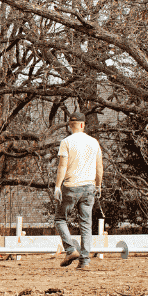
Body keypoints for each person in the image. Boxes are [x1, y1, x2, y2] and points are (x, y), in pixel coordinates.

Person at [54, 111, 103, 269]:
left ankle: (70, 250)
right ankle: (85, 261)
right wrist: (98, 185)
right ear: (83, 125)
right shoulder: (94, 142)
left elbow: (62, 166)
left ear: (70, 125)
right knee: (86, 224)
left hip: (71, 186)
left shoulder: (66, 142)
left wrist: (57, 186)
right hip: (89, 187)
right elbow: (99, 167)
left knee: (60, 219)